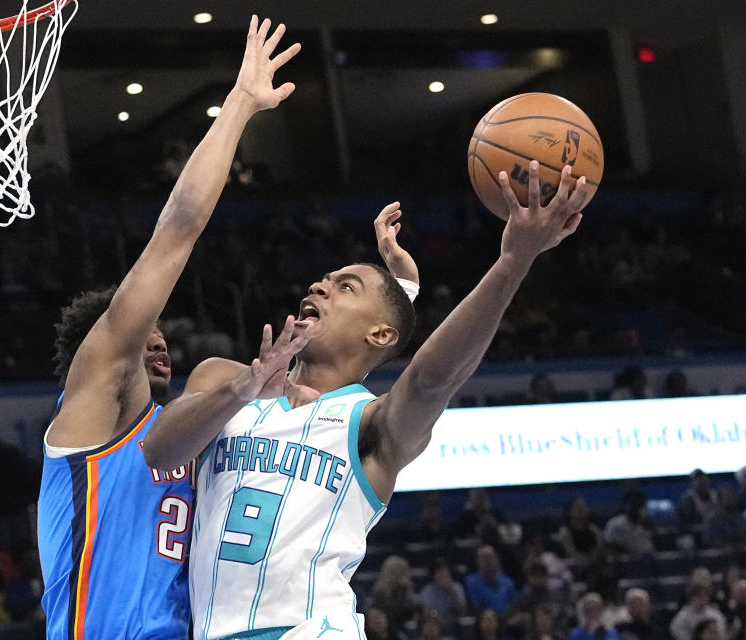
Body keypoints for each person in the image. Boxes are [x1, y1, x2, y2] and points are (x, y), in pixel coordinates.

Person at [144, 126, 591, 638]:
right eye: (323, 281)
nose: (318, 285)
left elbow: (432, 377)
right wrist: (246, 387)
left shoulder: (369, 426)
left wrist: (513, 262)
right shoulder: (223, 380)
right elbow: (159, 450)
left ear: (380, 333)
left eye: (344, 286)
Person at [35, 15, 302, 639]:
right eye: (144, 333)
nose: (159, 340)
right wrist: (238, 103)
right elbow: (176, 230)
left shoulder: (187, 425)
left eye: (162, 335)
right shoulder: (89, 415)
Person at [464, 546, 516, 616]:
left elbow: (514, 605)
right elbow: (476, 607)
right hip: (485, 621)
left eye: (491, 558)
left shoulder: (508, 581)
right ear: (478, 562)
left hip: (507, 620)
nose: (489, 563)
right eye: (485, 559)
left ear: (497, 559)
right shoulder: (471, 581)